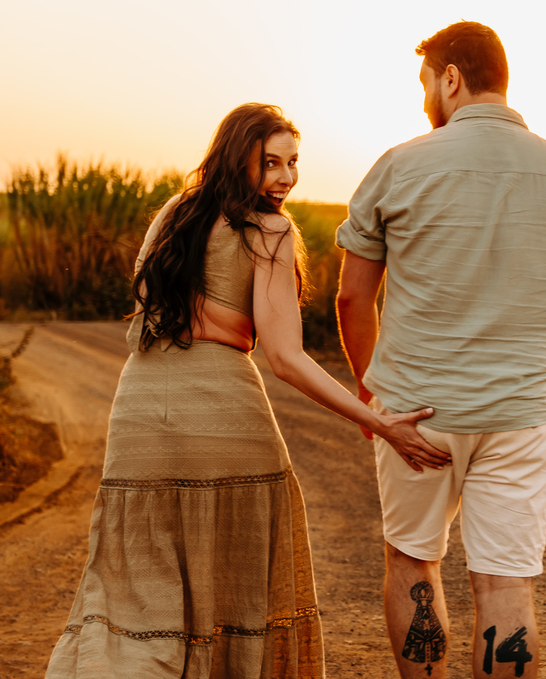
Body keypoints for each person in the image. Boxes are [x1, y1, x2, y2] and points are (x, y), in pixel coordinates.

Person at [44, 103, 451, 679]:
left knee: (137, 590)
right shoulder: (271, 231)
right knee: (238, 586)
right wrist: (379, 419)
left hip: (137, 411)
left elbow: (145, 317)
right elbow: (284, 358)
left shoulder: (171, 215)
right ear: (239, 159)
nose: (286, 178)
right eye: (271, 163)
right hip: (223, 409)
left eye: (293, 163)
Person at [335, 22, 546, 679]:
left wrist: (372, 391)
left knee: (412, 561)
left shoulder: (399, 166)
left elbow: (352, 299)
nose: (425, 98)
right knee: (506, 584)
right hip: (522, 417)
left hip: (416, 416)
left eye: (427, 82)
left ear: (451, 78)